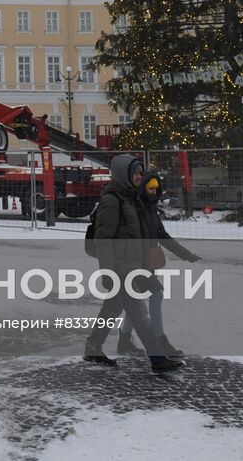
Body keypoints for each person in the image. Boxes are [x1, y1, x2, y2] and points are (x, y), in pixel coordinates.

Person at [82, 153, 183, 374]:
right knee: (139, 312)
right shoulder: (112, 200)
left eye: (140, 172)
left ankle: (93, 346)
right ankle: (157, 359)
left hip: (132, 265)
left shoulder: (130, 197)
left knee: (112, 308)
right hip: (120, 268)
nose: (140, 176)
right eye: (135, 172)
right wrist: (107, 271)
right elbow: (104, 239)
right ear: (123, 174)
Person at [115, 171, 200, 357]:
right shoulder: (134, 208)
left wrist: (186, 254)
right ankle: (161, 341)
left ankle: (124, 340)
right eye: (150, 188)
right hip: (134, 263)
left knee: (136, 301)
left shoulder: (151, 208)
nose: (154, 191)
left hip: (148, 262)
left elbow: (163, 235)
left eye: (156, 188)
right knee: (156, 294)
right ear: (143, 188)